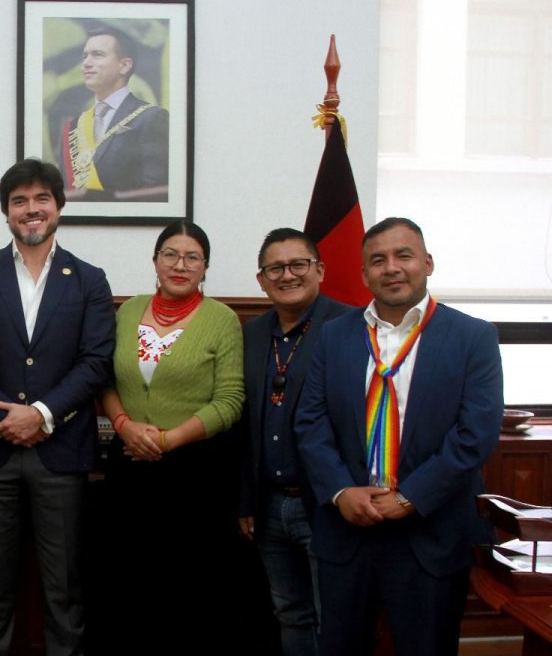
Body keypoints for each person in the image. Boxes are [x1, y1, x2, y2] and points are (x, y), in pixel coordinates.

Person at [295, 217, 503, 656]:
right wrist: (339, 491)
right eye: (378, 259)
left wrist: (410, 497)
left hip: (431, 530)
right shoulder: (334, 336)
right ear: (364, 273)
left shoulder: (473, 337)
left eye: (403, 255)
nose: (391, 267)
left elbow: (475, 434)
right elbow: (310, 423)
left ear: (427, 263)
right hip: (348, 529)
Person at [0, 158, 115, 656]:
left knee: (63, 587)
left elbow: (96, 360)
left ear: (59, 207)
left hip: (59, 451)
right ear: (6, 212)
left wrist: (40, 414)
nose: (31, 209)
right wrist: (5, 417)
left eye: (42, 198)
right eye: (20, 201)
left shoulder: (88, 280)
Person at [99, 220, 244, 651]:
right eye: (170, 255)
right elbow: (105, 382)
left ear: (205, 267)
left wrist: (167, 440)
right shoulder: (127, 311)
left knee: (189, 590)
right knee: (127, 584)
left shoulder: (222, 320)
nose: (180, 265)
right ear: (156, 261)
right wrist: (125, 426)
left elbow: (231, 400)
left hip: (195, 474)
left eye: (192, 257)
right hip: (127, 468)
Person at [237, 228, 354, 656]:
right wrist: (247, 501)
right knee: (290, 613)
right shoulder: (251, 334)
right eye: (275, 268)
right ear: (261, 279)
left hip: (325, 503)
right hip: (268, 506)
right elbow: (245, 423)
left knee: (335, 615)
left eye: (298, 264)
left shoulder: (350, 328)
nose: (287, 275)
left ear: (319, 270)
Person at [63, 27, 170, 202]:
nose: (86, 63)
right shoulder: (75, 126)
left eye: (97, 55)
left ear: (124, 65)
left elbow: (155, 192)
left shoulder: (151, 118)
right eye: (85, 56)